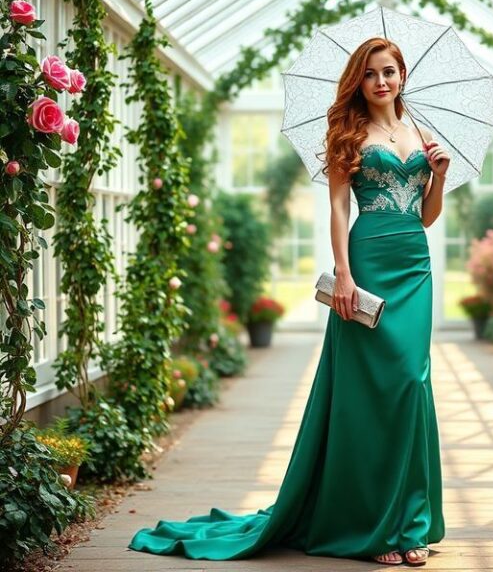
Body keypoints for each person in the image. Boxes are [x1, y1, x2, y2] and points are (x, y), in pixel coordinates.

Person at [128, 36, 449, 567]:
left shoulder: (423, 133)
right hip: (367, 261)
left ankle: (410, 524)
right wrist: (343, 274)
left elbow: (428, 216)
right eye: (370, 74)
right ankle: (372, 527)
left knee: (411, 385)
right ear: (359, 81)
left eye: (389, 72)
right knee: (367, 393)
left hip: (414, 265)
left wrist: (439, 176)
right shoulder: (348, 133)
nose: (381, 82)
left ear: (402, 75)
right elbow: (339, 209)